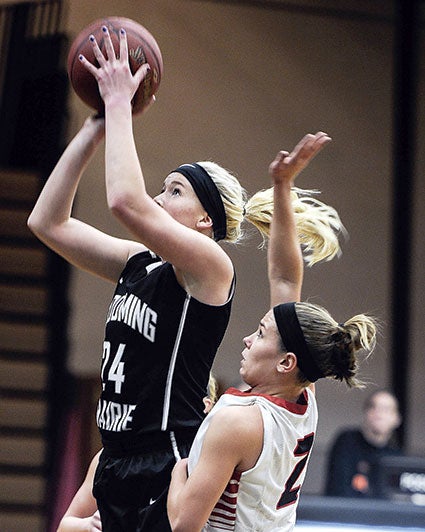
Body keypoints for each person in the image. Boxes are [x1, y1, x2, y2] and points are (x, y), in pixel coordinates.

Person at [28, 25, 343, 532]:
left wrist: (118, 104)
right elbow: (48, 223)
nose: (157, 198)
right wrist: (94, 127)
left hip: (166, 457)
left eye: (174, 191)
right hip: (114, 453)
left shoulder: (209, 270)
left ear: (205, 223)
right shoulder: (139, 262)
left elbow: (123, 202)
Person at [167, 133, 378, 532]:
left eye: (260, 333)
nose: (248, 339)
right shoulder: (303, 396)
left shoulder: (239, 422)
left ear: (286, 361)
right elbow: (284, 278)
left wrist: (178, 469)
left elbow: (182, 525)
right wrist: (283, 188)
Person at [56, 375, 219, 532]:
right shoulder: (113, 456)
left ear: (206, 405)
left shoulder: (211, 460)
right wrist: (87, 525)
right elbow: (65, 525)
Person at [324, 389, 402, 498]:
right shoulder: (347, 441)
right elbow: (338, 489)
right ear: (366, 412)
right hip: (345, 511)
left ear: (397, 419)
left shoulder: (396, 457)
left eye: (386, 409)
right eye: (373, 407)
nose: (379, 414)